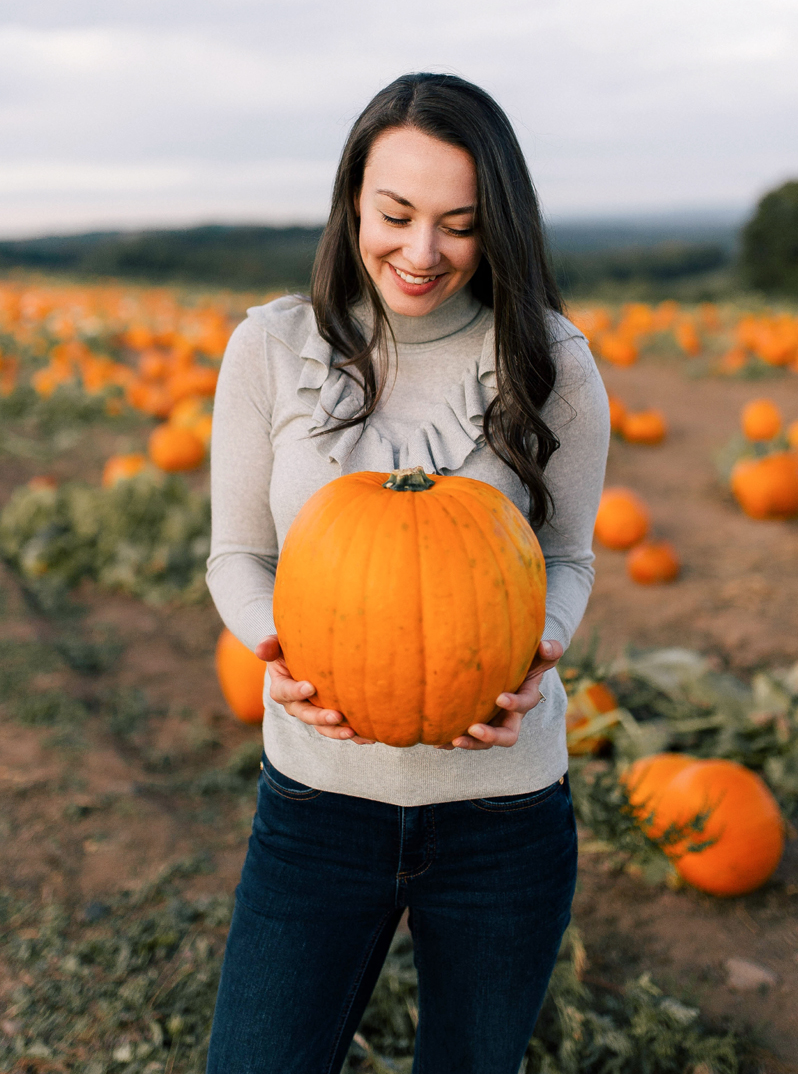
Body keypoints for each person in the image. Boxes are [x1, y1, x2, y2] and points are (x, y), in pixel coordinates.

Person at [205, 72, 610, 1074]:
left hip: (504, 813)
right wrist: (279, 646)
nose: (421, 253)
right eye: (395, 214)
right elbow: (239, 552)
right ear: (352, 202)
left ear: (500, 226)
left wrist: (540, 649)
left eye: (459, 225)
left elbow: (566, 553)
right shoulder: (271, 347)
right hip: (315, 807)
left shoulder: (551, 360)